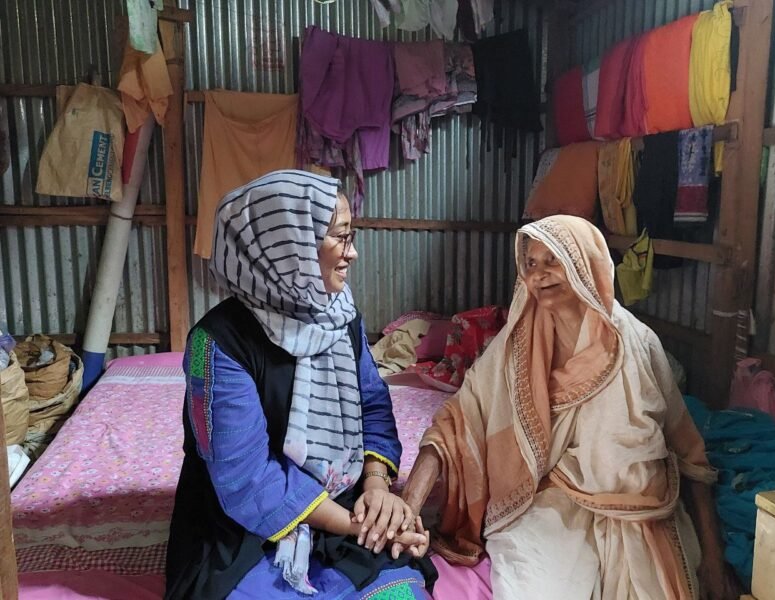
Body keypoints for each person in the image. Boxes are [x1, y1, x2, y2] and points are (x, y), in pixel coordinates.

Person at [401, 215, 738, 599]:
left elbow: (689, 453)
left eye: (553, 260)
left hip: (636, 511)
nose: (539, 274)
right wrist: (408, 507)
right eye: (530, 263)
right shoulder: (517, 345)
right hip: (552, 498)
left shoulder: (636, 343)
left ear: (586, 263)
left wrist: (713, 558)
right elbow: (458, 418)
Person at [165, 170, 435, 599]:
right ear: (288, 246)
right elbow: (246, 479)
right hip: (246, 525)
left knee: (399, 593)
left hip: (345, 500)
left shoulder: (341, 317)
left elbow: (373, 407)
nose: (352, 253)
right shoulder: (215, 344)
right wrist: (364, 526)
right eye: (341, 238)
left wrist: (377, 489)